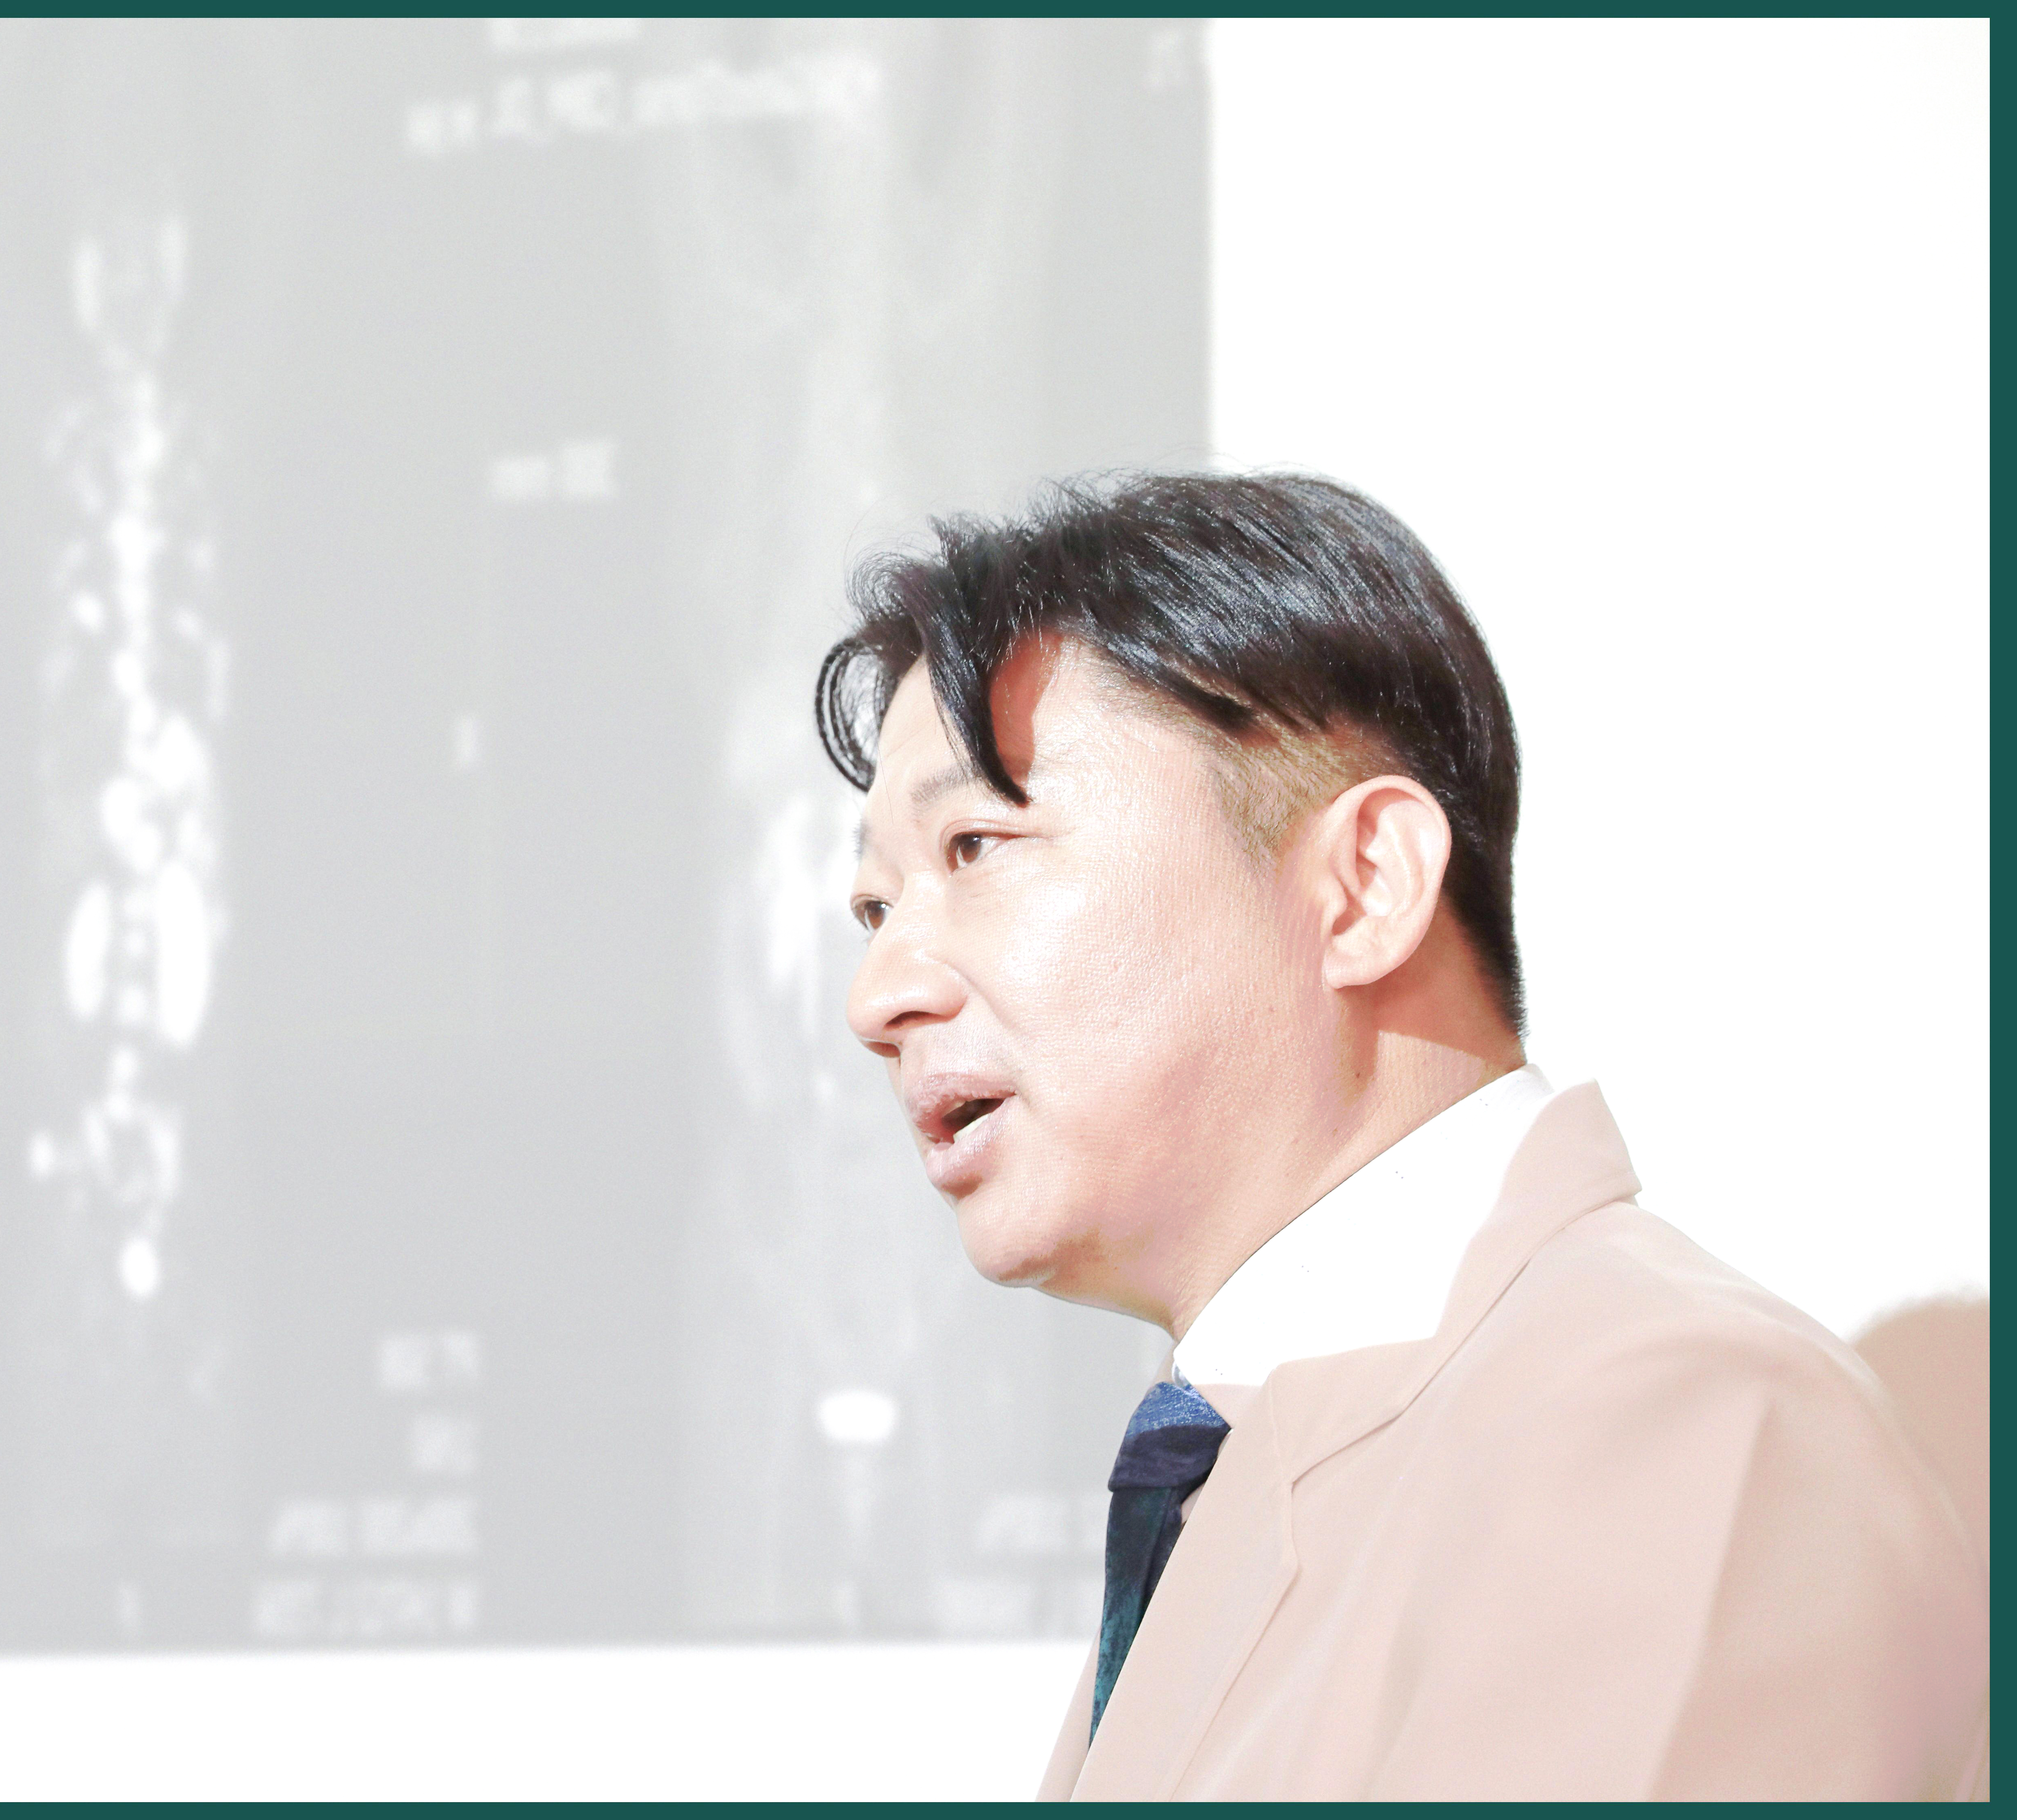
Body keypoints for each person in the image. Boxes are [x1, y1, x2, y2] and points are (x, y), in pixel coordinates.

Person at [817, 472, 1988, 1800]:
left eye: (976, 846)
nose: (877, 997)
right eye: (875, 909)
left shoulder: (1675, 1422)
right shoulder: (1240, 1459)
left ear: (1366, 884)